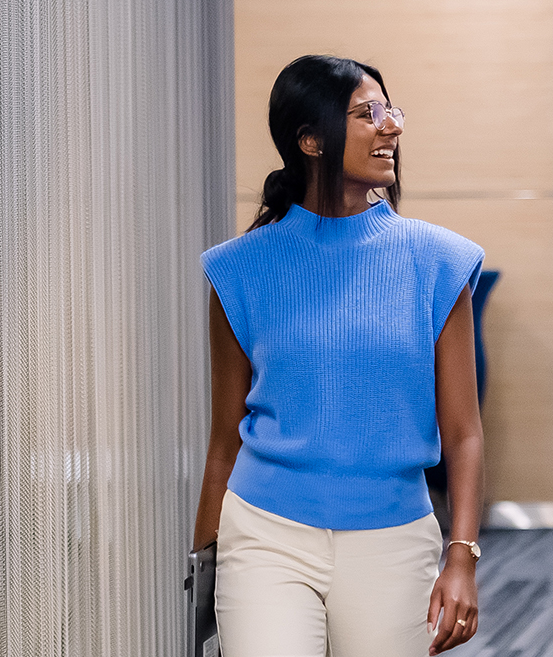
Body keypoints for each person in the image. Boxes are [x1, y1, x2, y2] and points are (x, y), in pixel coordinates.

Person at [191, 54, 486, 657]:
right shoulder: (238, 270)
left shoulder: (439, 263)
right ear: (311, 140)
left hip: (394, 540)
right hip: (265, 534)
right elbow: (225, 439)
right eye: (367, 114)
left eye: (390, 110)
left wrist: (462, 557)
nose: (391, 127)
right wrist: (200, 570)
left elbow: (464, 434)